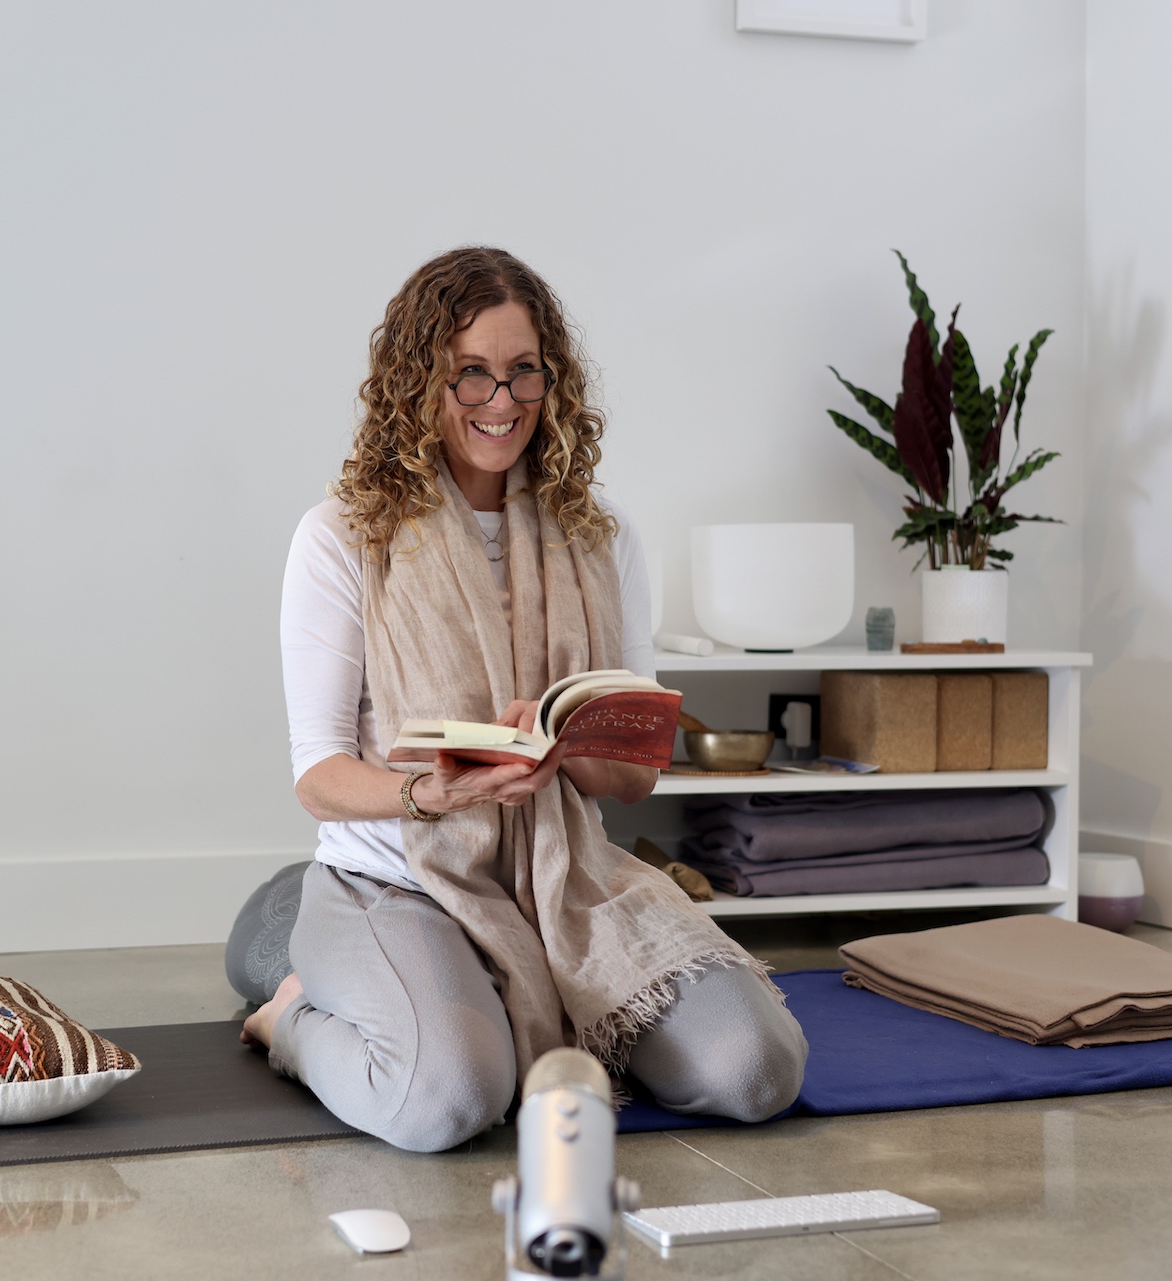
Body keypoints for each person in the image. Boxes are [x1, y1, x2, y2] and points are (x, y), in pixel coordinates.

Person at [234, 246, 806, 1153]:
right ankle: (292, 1019)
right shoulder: (344, 535)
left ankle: (505, 988)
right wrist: (436, 792)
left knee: (755, 1069)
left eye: (523, 371)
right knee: (452, 1100)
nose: (501, 402)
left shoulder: (600, 534)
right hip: (399, 874)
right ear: (419, 381)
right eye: (470, 373)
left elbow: (634, 781)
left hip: (565, 876)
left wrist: (564, 744)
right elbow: (319, 773)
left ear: (553, 376)